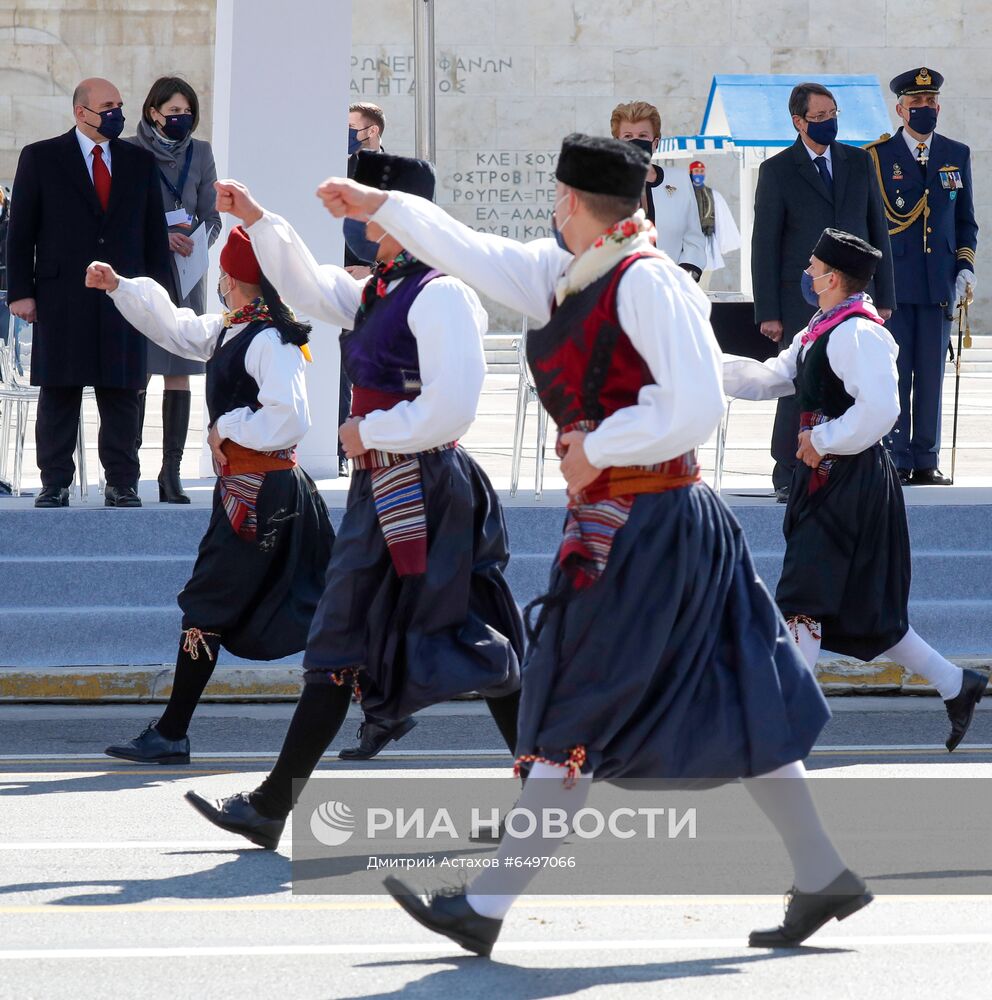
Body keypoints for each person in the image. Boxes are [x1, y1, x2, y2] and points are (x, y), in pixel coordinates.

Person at [319, 133, 871, 954]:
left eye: (554, 197)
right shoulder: (571, 273)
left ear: (571, 202)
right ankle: (823, 872)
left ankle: (486, 904)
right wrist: (385, 207)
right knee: (743, 690)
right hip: (638, 521)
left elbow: (693, 407)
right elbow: (479, 252)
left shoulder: (648, 281)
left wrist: (598, 447)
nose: (549, 210)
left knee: (572, 699)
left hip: (652, 526)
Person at [182, 155, 523, 848]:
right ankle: (276, 801)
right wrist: (257, 219)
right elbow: (308, 289)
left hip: (423, 486)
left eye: (376, 206)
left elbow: (452, 407)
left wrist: (369, 430)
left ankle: (277, 802)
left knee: (461, 636)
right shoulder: (382, 290)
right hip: (389, 484)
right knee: (366, 635)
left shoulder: (441, 294)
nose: (365, 220)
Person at [725, 228, 986, 755]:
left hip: (849, 480)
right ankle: (958, 685)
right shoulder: (822, 328)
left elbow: (881, 411)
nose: (809, 271)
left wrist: (821, 438)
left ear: (834, 278)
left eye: (815, 265)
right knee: (867, 614)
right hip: (825, 474)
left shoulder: (856, 333)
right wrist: (698, 365)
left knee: (803, 596)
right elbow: (770, 378)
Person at [91, 225, 334, 763]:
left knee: (208, 603)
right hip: (251, 490)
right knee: (315, 600)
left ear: (231, 278)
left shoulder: (270, 339)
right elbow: (178, 328)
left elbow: (290, 417)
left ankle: (173, 732)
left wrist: (226, 427)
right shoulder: (234, 329)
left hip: (261, 493)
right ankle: (386, 700)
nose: (221, 282)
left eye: (224, 273)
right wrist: (121, 287)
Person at [5, 77, 171, 508]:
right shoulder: (41, 157)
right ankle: (55, 481)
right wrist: (21, 293)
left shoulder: (138, 161)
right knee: (60, 390)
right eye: (108, 105)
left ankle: (121, 481)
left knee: (122, 390)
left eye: (120, 103)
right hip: (62, 296)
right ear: (82, 112)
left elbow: (154, 233)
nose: (117, 111)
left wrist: (158, 297)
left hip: (125, 294)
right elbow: (21, 232)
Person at [752, 81, 896, 503]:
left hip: (853, 294)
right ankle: (788, 468)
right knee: (799, 382)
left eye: (833, 115)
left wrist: (885, 294)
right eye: (819, 118)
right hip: (802, 295)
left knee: (848, 383)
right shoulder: (777, 170)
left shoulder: (857, 162)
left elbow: (877, 231)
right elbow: (765, 244)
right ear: (798, 122)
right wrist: (768, 310)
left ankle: (837, 461)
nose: (828, 123)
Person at [866, 68, 979, 485]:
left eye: (930, 104)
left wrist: (964, 265)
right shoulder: (877, 158)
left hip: (937, 286)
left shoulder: (956, 153)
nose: (924, 110)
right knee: (895, 373)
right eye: (916, 105)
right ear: (900, 109)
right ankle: (895, 457)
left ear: (939, 106)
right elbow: (870, 223)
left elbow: (965, 221)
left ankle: (926, 458)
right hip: (893, 285)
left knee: (931, 374)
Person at [126, 75, 222, 504]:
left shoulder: (201, 153)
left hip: (187, 273)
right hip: (144, 271)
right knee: (138, 369)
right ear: (153, 113)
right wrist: (158, 238)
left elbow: (212, 214)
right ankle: (127, 468)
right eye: (174, 112)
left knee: (180, 367)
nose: (181, 119)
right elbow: (121, 215)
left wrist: (197, 241)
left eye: (187, 113)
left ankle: (171, 472)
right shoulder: (129, 150)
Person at [339, 102, 387, 478]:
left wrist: (370, 268)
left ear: (371, 131)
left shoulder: (395, 173)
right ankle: (342, 446)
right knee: (342, 368)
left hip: (380, 284)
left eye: (352, 127)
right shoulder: (343, 170)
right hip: (341, 282)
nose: (347, 133)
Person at [610, 100, 706, 279]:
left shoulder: (679, 180)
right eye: (628, 136)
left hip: (670, 291)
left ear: (655, 143)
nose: (635, 141)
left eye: (643, 135)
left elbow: (694, 239)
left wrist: (685, 276)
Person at [688, 159, 741, 287]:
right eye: (696, 171)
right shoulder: (684, 194)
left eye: (701, 171)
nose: (699, 174)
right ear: (690, 173)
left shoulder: (713, 195)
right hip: (688, 243)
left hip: (707, 244)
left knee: (704, 283)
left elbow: (722, 222)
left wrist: (721, 243)